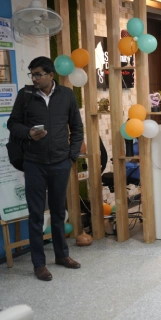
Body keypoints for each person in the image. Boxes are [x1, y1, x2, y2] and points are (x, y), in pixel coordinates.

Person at [7, 56, 83, 282]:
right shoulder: (25, 95)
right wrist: (28, 133)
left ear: (51, 75)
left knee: (58, 212)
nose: (34, 79)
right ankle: (39, 264)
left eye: (38, 74)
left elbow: (77, 128)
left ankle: (62, 255)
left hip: (60, 162)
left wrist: (71, 156)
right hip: (34, 163)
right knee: (36, 214)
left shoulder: (67, 95)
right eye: (32, 74)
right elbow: (12, 124)